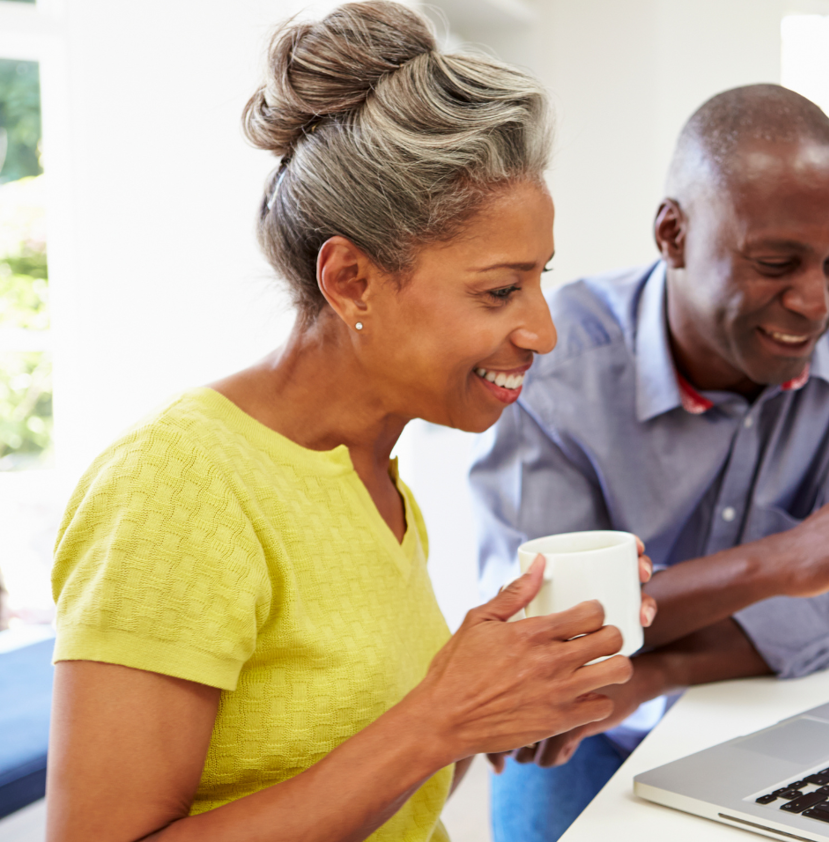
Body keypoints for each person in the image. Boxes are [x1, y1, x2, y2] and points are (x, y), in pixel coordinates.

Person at [46, 4, 651, 841]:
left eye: (541, 280)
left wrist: (505, 704)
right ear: (352, 280)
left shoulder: (374, 480)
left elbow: (370, 785)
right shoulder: (178, 486)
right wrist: (440, 718)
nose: (543, 332)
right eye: (499, 290)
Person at [470, 83, 829, 842]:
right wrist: (782, 563)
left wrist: (655, 670)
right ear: (673, 235)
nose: (816, 302)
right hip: (583, 733)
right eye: (777, 261)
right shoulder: (557, 367)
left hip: (782, 726)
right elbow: (543, 642)